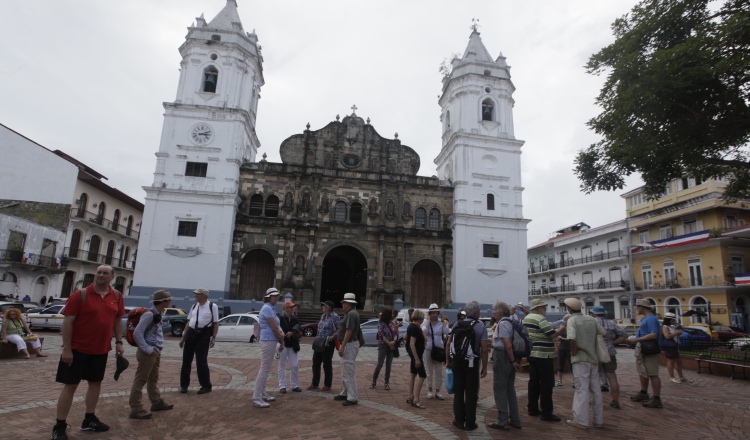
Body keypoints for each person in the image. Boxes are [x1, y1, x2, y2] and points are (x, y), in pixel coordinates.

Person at [51, 265, 124, 440]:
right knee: (70, 386)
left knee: (95, 383)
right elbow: (68, 322)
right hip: (77, 349)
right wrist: (67, 349)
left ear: (112, 277)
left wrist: (119, 342)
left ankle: (89, 419)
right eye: (98, 272)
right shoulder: (81, 294)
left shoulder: (117, 296)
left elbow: (118, 319)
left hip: (100, 349)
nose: (100, 275)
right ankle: (59, 425)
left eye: (105, 273)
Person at [128, 290, 175, 419]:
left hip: (155, 351)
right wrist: (148, 349)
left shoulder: (158, 313)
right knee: (141, 380)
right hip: (148, 353)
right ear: (163, 301)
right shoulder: (149, 315)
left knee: (153, 379)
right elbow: (137, 333)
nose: (170, 302)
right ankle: (135, 408)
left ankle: (156, 402)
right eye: (168, 300)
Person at [563, 298, 606, 430]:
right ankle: (598, 420)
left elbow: (572, 338)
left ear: (569, 309)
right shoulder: (591, 319)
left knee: (581, 389)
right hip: (593, 358)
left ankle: (581, 420)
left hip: (580, 358)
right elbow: (603, 333)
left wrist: (574, 351)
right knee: (596, 390)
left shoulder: (572, 320)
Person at [446, 300, 489, 431]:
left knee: (458, 391)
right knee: (471, 393)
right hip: (471, 362)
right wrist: (485, 367)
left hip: (456, 361)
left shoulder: (457, 324)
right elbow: (484, 348)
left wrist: (447, 360)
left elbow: (448, 344)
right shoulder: (480, 325)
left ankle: (459, 421)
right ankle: (470, 422)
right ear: (476, 313)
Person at [523, 298, 566, 422]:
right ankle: (546, 412)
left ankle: (532, 408)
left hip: (532, 353)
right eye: (544, 307)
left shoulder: (527, 318)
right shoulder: (540, 319)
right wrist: (561, 330)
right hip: (544, 354)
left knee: (534, 382)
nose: (545, 309)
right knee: (547, 384)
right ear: (538, 308)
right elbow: (551, 334)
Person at [487, 301, 522, 431]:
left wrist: (512, 361)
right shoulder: (512, 322)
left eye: (495, 310)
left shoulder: (502, 324)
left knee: (500, 388)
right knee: (510, 389)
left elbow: (507, 344)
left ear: (500, 312)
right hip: (512, 358)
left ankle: (502, 420)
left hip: (503, 358)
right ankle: (515, 419)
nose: (493, 312)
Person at [179, 288, 218, 395]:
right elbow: (188, 322)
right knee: (186, 360)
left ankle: (206, 385)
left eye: (197, 294)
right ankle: (184, 385)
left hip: (203, 334)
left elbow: (215, 323)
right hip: (191, 333)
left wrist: (213, 337)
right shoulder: (194, 306)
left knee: (201, 361)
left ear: (203, 296)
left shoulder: (212, 306)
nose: (195, 296)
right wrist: (183, 337)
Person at [589, 305, 628, 409]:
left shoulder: (591, 322)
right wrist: (613, 342)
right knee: (611, 376)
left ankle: (593, 399)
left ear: (594, 313)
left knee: (594, 376)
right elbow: (624, 334)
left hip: (595, 351)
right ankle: (615, 400)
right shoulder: (611, 323)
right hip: (609, 351)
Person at [253, 287, 285, 408]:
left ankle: (262, 393)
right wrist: (281, 340)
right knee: (264, 369)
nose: (276, 298)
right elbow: (274, 327)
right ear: (268, 297)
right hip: (268, 340)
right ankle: (256, 397)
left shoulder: (270, 308)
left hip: (270, 340)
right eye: (274, 296)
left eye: (277, 296)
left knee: (266, 368)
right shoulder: (267, 308)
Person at [628, 299, 663, 408]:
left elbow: (654, 334)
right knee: (643, 371)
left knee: (652, 373)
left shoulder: (651, 319)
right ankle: (643, 392)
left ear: (642, 307)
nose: (637, 309)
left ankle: (656, 398)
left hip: (649, 348)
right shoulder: (646, 319)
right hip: (644, 347)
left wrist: (637, 339)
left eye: (638, 306)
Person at [333, 292, 360, 406]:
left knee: (348, 371)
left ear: (348, 304)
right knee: (345, 369)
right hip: (350, 344)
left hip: (349, 344)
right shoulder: (351, 313)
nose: (342, 305)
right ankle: (345, 392)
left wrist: (342, 346)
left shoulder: (351, 314)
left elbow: (349, 330)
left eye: (343, 303)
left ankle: (352, 396)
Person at [308, 301, 340, 391]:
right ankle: (315, 383)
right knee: (315, 363)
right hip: (319, 342)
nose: (322, 307)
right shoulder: (322, 316)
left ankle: (327, 384)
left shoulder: (335, 317)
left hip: (328, 343)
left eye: (324, 306)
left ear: (328, 308)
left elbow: (340, 329)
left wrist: (333, 337)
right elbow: (320, 328)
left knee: (327, 364)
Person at [422, 303, 448, 400]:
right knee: (429, 371)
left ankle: (437, 391)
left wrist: (443, 322)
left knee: (439, 371)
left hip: (439, 349)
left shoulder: (441, 322)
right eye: (432, 313)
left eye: (436, 313)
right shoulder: (425, 322)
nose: (434, 315)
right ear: (429, 313)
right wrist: (428, 321)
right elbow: (424, 331)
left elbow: (447, 332)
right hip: (429, 348)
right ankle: (429, 390)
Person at [278, 300, 302, 393]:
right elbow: (277, 330)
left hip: (293, 344)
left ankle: (294, 385)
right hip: (283, 344)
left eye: (293, 307)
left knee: (294, 365)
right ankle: (282, 385)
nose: (292, 308)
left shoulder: (295, 319)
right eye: (290, 307)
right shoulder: (280, 319)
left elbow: (300, 331)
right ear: (285, 308)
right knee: (282, 365)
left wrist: (293, 333)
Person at [371, 307, 397, 390]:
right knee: (380, 364)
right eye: (391, 313)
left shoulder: (391, 323)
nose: (393, 315)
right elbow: (381, 335)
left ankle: (386, 383)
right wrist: (389, 343)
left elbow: (396, 333)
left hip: (391, 346)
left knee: (389, 365)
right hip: (383, 345)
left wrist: (394, 341)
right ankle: (374, 381)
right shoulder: (381, 323)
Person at [406, 309, 428, 409]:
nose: (423, 319)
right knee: (422, 375)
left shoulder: (411, 326)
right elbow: (412, 343)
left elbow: (405, 337)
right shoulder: (415, 328)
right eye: (422, 318)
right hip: (417, 355)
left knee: (413, 374)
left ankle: (410, 396)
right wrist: (417, 359)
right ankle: (416, 399)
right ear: (419, 318)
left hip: (414, 355)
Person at [660, 312, 688, 383]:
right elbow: (667, 336)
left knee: (678, 361)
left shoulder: (671, 327)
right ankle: (672, 377)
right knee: (671, 361)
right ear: (669, 320)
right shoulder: (665, 327)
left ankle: (681, 377)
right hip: (670, 346)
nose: (673, 321)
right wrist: (676, 333)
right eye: (672, 320)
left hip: (674, 345)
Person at [556, 314, 572, 387]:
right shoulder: (562, 326)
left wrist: (563, 338)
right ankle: (559, 380)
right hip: (562, 347)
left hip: (570, 347)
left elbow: (572, 337)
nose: (565, 321)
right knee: (560, 363)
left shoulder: (572, 327)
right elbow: (558, 335)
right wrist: (561, 338)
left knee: (572, 364)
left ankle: (574, 380)